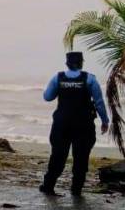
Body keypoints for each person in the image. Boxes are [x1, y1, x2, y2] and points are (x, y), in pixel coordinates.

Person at [40, 51, 108, 197]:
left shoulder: (58, 78)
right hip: (83, 125)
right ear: (82, 63)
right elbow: (99, 103)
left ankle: (48, 186)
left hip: (61, 124)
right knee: (81, 158)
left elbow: (47, 97)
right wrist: (105, 121)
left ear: (67, 63)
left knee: (58, 156)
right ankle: (76, 190)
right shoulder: (90, 79)